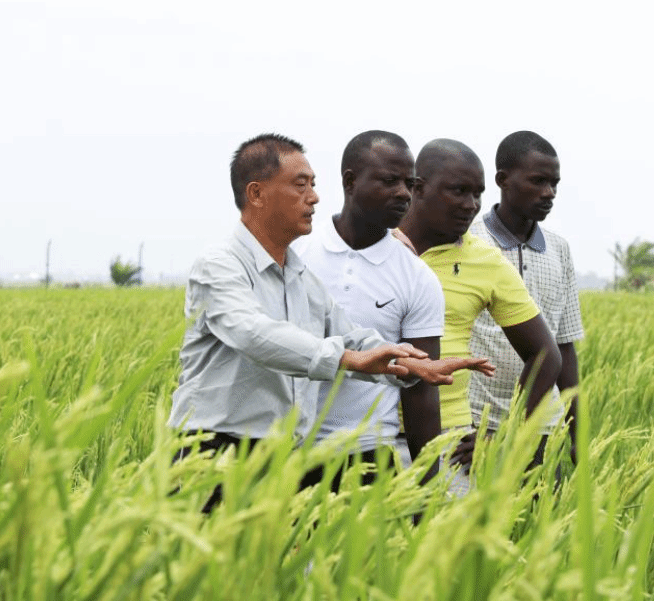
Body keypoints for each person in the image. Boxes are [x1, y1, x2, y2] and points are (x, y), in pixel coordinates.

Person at [168, 133, 467, 512]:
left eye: (313, 185)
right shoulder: (219, 265)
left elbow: (354, 338)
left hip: (279, 458)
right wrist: (344, 359)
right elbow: (252, 332)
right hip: (211, 452)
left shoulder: (300, 278)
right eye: (300, 185)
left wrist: (415, 365)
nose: (314, 197)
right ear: (257, 194)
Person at [294, 131, 494, 491]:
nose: (404, 193)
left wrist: (426, 488)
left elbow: (420, 391)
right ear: (350, 181)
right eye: (389, 181)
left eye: (409, 182)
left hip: (370, 456)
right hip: (288, 451)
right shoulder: (297, 257)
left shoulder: (416, 276)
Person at [397, 139, 562, 494]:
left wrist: (510, 432)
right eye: (458, 191)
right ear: (418, 188)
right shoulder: (377, 250)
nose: (471, 205)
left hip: (450, 442)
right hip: (366, 436)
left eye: (478, 194)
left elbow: (547, 354)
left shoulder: (485, 262)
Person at [468, 131, 584, 463]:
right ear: (503, 180)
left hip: (541, 428)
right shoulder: (467, 242)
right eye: (538, 181)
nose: (549, 193)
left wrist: (576, 433)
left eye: (555, 184)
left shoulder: (559, 250)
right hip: (478, 426)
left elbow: (564, 345)